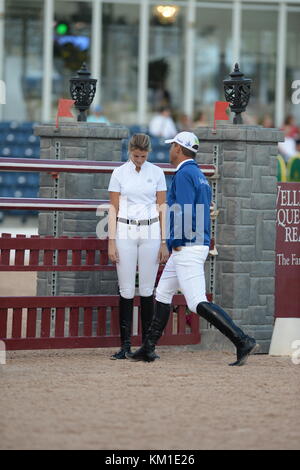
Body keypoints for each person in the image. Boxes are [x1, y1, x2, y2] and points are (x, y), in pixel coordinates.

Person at [129, 131, 258, 366]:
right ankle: (148, 347)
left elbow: (185, 211)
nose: (170, 150)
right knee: (163, 293)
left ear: (179, 148)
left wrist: (175, 241)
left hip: (186, 246)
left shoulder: (184, 175)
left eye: (172, 146)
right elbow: (203, 211)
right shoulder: (198, 175)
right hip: (193, 244)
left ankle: (241, 340)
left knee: (196, 301)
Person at [108, 133, 169, 359]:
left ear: (148, 153)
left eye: (143, 156)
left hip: (151, 230)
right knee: (125, 289)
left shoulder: (157, 172)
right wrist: (111, 241)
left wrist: (164, 241)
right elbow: (113, 209)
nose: (139, 160)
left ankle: (147, 346)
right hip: (125, 229)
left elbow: (162, 207)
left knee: (146, 289)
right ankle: (125, 346)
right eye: (136, 156)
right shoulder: (118, 173)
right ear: (130, 151)